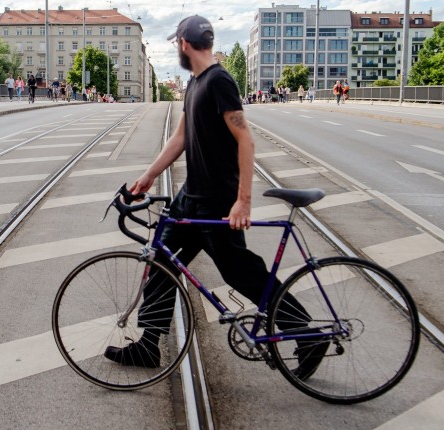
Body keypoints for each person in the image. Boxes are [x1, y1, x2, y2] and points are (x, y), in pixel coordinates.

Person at [107, 15, 327, 377]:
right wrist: (149, 175)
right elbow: (180, 138)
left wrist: (243, 200)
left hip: (217, 199)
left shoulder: (218, 81)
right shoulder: (195, 83)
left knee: (241, 273)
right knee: (161, 262)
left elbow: (245, 139)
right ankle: (148, 344)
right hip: (191, 197)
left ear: (183, 44)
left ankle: (306, 334)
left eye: (176, 44)